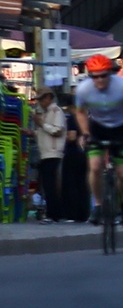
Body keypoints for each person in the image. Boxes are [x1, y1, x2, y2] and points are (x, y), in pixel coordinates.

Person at [73, 54, 123, 226]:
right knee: (95, 167)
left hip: (120, 128)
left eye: (104, 75)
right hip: (98, 128)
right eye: (95, 76)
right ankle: (98, 205)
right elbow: (80, 112)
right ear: (90, 76)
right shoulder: (83, 89)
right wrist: (85, 132)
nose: (100, 80)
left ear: (110, 73)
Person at [32, 87, 65, 222]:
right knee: (47, 185)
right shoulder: (45, 113)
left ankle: (54, 214)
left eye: (42, 99)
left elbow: (57, 131)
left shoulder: (56, 111)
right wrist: (33, 132)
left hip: (53, 153)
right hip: (46, 154)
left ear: (49, 98)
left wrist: (41, 124)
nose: (40, 102)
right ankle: (52, 212)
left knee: (51, 185)